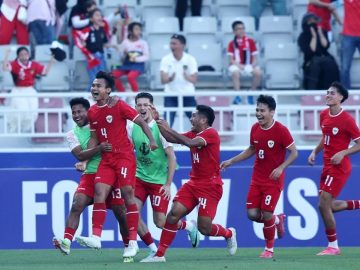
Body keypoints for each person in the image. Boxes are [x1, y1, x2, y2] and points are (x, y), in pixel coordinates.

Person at [75, 71, 158, 260]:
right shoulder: (93, 112)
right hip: (107, 160)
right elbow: (94, 139)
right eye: (93, 85)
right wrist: (85, 160)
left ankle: (133, 243)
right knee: (99, 193)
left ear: (108, 90)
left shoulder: (119, 105)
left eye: (98, 86)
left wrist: (152, 140)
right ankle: (96, 237)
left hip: (124, 158)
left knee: (128, 197)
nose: (94, 88)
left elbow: (142, 123)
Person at [141, 104, 237, 263]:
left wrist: (167, 127)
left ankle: (229, 234)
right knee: (173, 214)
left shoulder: (211, 133)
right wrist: (157, 120)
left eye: (194, 116)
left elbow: (189, 142)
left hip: (210, 187)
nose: (191, 118)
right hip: (193, 184)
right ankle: (159, 255)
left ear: (204, 120)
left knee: (204, 228)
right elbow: (172, 138)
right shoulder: (194, 132)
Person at [220, 95, 298, 259]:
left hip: (273, 180)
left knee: (266, 214)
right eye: (257, 110)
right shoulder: (255, 128)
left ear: (272, 112)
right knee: (252, 214)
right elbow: (251, 149)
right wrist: (231, 161)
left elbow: (294, 153)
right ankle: (277, 220)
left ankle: (269, 249)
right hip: (257, 178)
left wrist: (281, 167)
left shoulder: (281, 130)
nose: (258, 113)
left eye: (262, 110)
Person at [128, 92, 200, 262]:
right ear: (135, 107)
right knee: (131, 212)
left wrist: (168, 184)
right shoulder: (131, 127)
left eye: (146, 105)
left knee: (160, 222)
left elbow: (172, 157)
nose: (143, 108)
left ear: (152, 107)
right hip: (139, 178)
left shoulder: (159, 128)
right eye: (139, 105)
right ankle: (153, 249)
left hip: (158, 182)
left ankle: (188, 225)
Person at [52, 97, 128, 255]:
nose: (76, 115)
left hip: (111, 173)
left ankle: (128, 247)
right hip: (90, 175)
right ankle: (67, 242)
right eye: (73, 112)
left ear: (89, 111)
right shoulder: (72, 134)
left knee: (121, 213)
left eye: (80, 111)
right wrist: (98, 150)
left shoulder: (101, 124)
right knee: (76, 204)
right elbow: (80, 154)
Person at [308, 82, 360, 255]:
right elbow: (326, 137)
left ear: (340, 98)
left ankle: (333, 246)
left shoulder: (347, 120)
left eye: (332, 93)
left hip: (339, 167)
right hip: (326, 165)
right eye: (327, 92)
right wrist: (315, 151)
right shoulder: (324, 114)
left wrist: (343, 153)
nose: (328, 95)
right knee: (326, 205)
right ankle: (358, 204)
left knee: (323, 204)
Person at [2, 46, 54, 133]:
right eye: (21, 54)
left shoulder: (34, 64)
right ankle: (13, 126)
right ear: (18, 56)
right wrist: (7, 55)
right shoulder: (15, 64)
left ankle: (26, 129)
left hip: (30, 90)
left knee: (33, 111)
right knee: (20, 109)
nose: (24, 56)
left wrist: (52, 59)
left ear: (29, 55)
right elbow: (4, 68)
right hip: (18, 90)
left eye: (25, 54)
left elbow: (45, 72)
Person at [160, 34, 198, 128]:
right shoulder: (166, 59)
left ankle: (201, 141)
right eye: (171, 44)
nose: (171, 46)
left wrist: (186, 77)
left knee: (196, 122)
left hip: (187, 94)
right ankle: (165, 142)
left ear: (182, 45)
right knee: (167, 123)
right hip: (170, 95)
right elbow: (162, 80)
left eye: (174, 44)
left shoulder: (190, 59)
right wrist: (170, 79)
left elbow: (194, 80)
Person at [298, 13, 339, 90]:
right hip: (311, 59)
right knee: (315, 65)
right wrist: (314, 37)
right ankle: (312, 91)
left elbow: (325, 46)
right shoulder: (303, 36)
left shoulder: (322, 32)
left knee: (330, 63)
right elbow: (311, 50)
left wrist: (320, 34)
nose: (315, 24)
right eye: (312, 21)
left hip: (324, 57)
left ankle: (332, 90)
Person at [227, 20, 262, 105]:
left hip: (249, 64)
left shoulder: (250, 42)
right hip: (236, 65)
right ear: (234, 31)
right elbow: (231, 59)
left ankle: (251, 93)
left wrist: (252, 65)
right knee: (235, 73)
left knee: (258, 73)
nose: (241, 30)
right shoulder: (231, 43)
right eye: (238, 29)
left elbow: (254, 58)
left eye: (243, 28)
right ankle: (237, 95)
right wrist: (240, 66)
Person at [112, 22, 149, 92]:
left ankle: (135, 96)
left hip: (138, 65)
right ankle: (123, 93)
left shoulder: (143, 43)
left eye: (139, 30)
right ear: (130, 31)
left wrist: (136, 59)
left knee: (130, 77)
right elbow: (122, 58)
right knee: (112, 75)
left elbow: (146, 56)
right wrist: (124, 54)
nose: (139, 31)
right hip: (126, 65)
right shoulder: (125, 42)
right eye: (136, 29)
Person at [340, 0, 360, 89]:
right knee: (345, 67)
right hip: (348, 35)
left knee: (345, 66)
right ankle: (345, 91)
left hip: (349, 36)